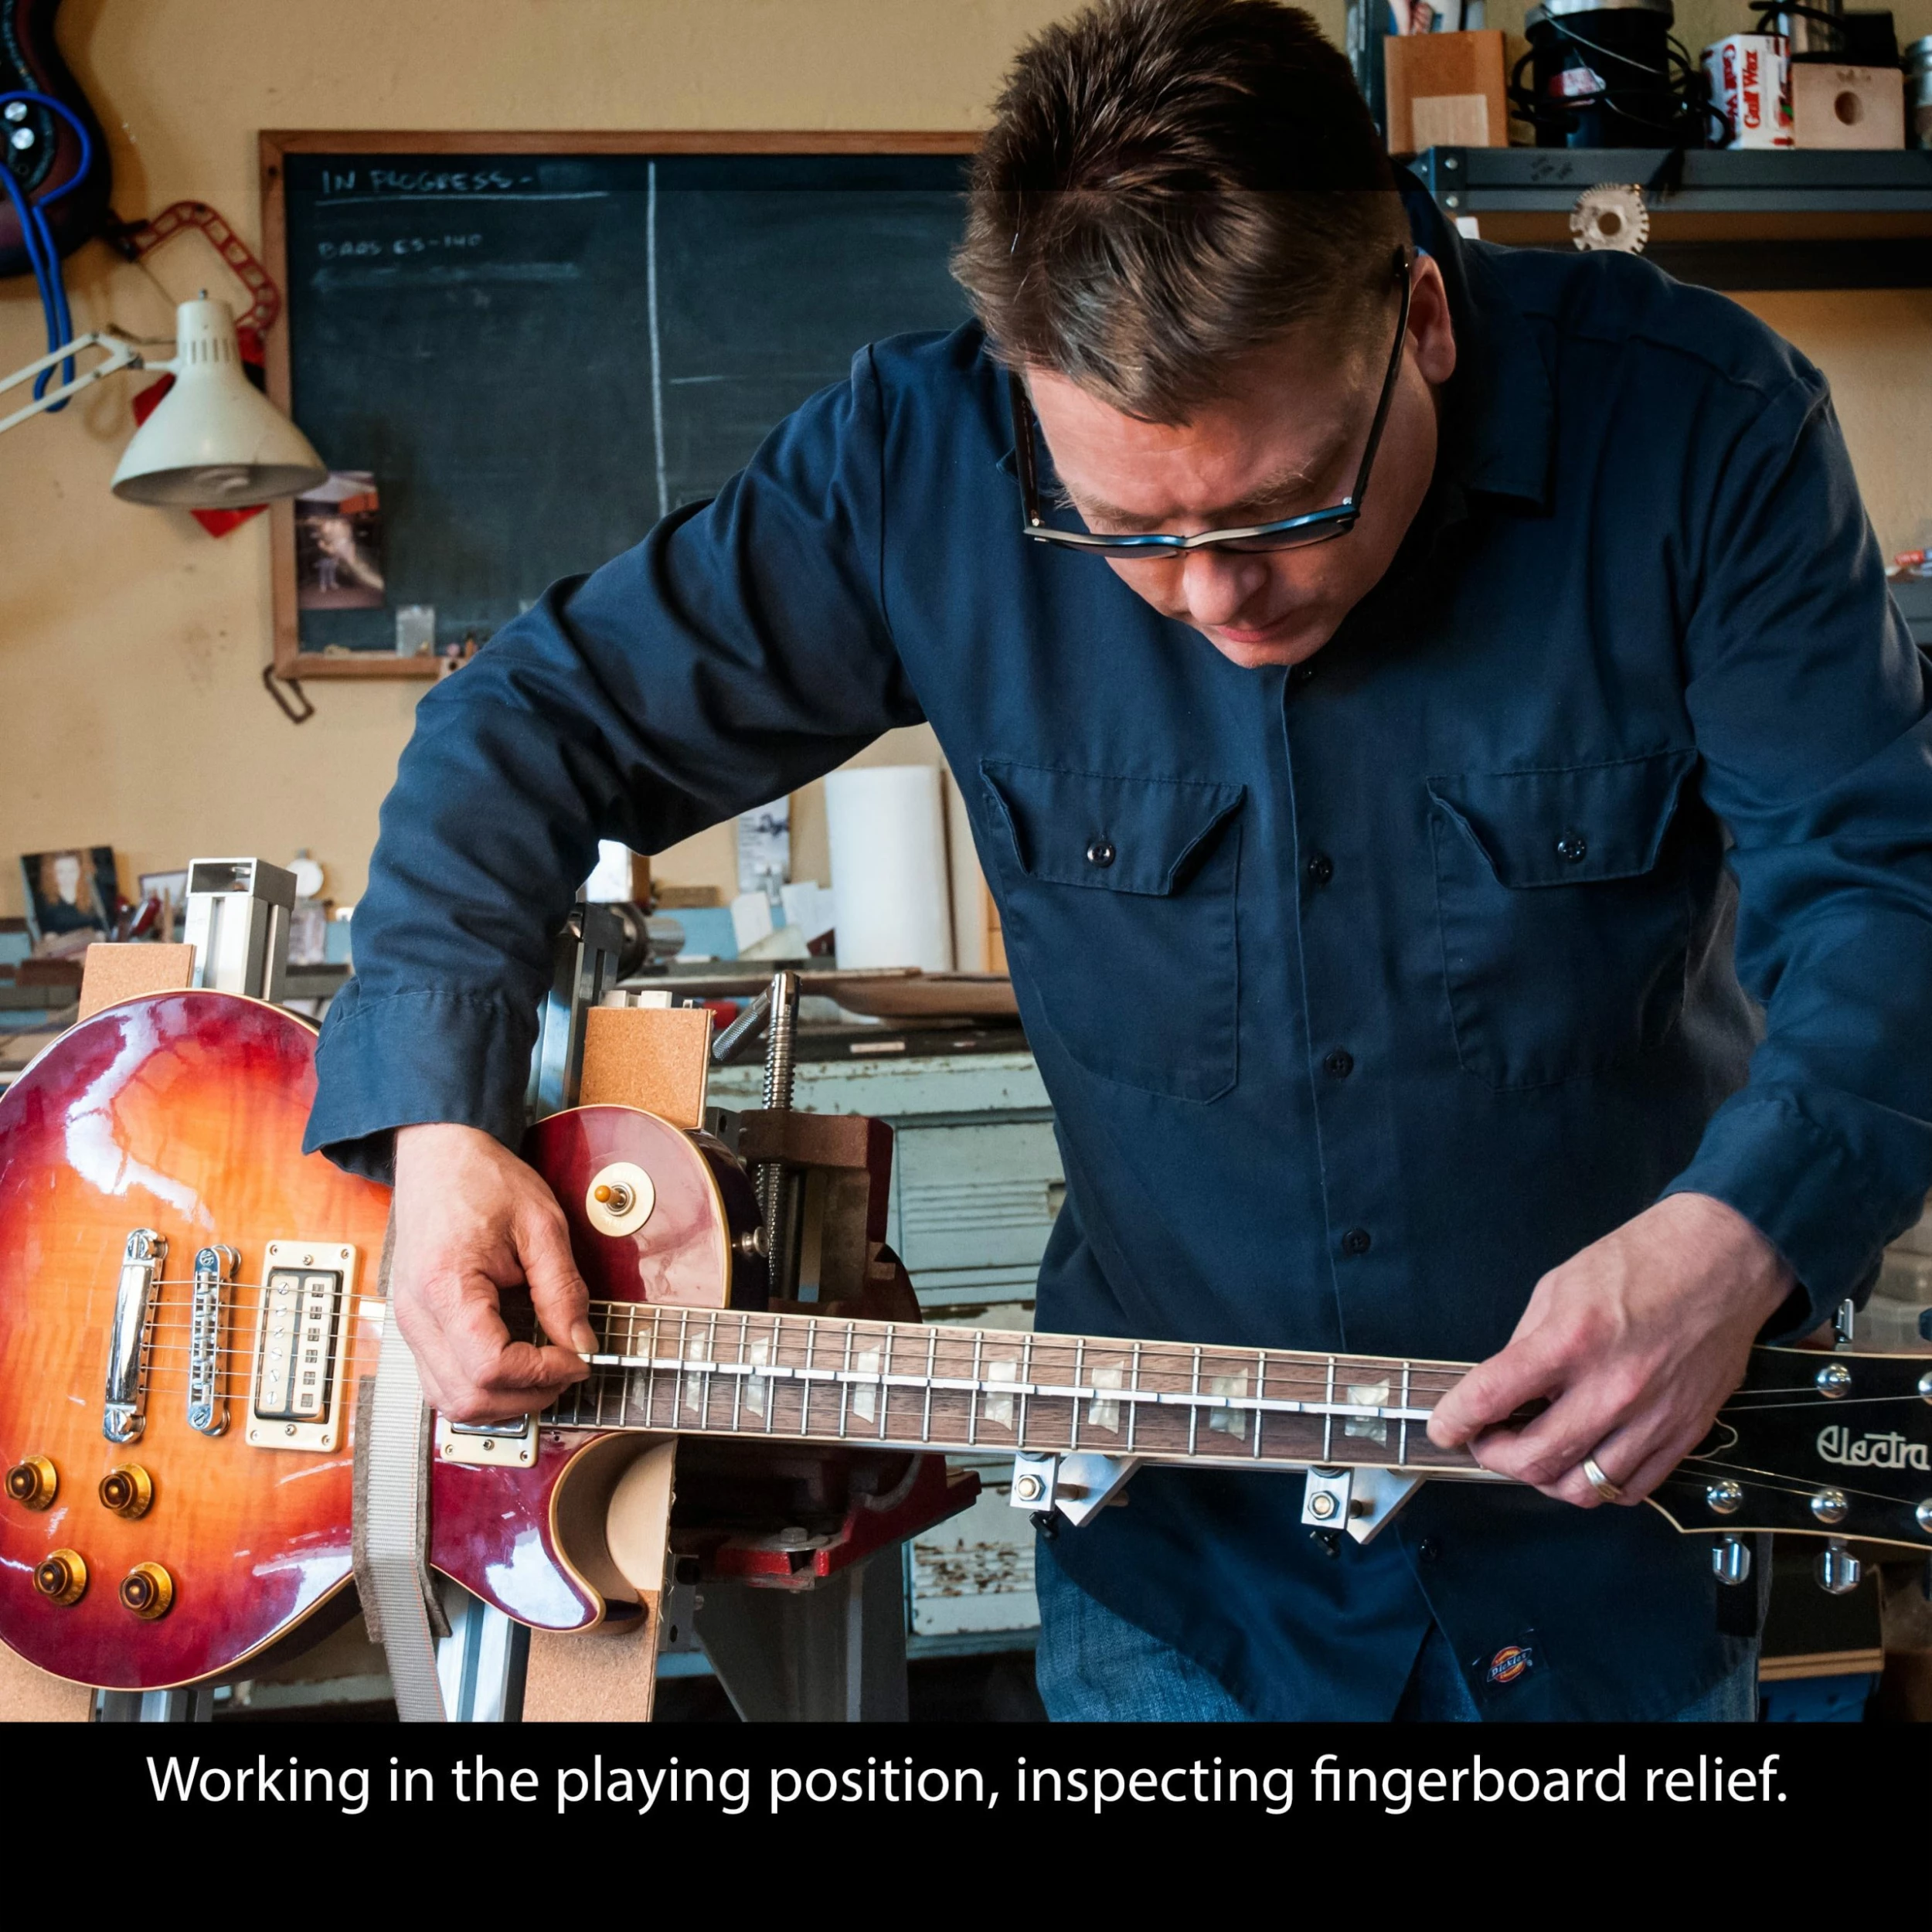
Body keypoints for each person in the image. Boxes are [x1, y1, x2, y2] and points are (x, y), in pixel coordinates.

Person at [307, 0, 1932, 1720]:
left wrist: (1739, 1238)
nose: (1215, 597)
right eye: (1128, 534)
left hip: (1619, 1555)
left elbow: (1885, 893)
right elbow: (524, 724)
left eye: (1285, 507)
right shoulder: (919, 465)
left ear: (1421, 320)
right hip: (1186, 1590)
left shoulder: (1700, 432)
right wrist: (439, 1129)